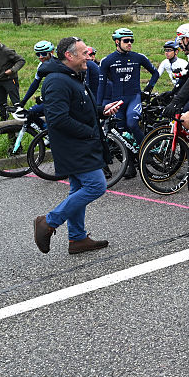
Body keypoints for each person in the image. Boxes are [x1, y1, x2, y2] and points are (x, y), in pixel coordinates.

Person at [33, 37, 122, 256]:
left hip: (80, 143)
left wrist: (102, 111)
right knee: (96, 186)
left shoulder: (73, 76)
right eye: (84, 53)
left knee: (77, 189)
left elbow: (79, 108)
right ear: (69, 56)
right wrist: (90, 133)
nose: (89, 57)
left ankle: (77, 238)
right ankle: (48, 222)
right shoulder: (56, 81)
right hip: (74, 146)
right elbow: (57, 119)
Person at [98, 28, 160, 146]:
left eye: (131, 40)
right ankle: (131, 160)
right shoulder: (107, 60)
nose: (130, 43)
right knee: (122, 132)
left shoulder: (138, 57)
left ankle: (146, 152)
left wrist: (147, 89)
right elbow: (101, 85)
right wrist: (98, 107)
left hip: (133, 97)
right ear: (117, 42)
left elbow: (155, 73)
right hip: (117, 100)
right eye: (126, 41)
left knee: (132, 124)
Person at [0, 33, 24, 121]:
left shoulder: (7, 51)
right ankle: (3, 120)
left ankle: (20, 120)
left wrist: (12, 70)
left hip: (10, 80)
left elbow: (21, 60)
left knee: (16, 102)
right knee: (1, 102)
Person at [17, 41, 56, 112]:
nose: (41, 57)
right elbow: (35, 83)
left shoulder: (58, 65)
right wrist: (23, 101)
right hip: (51, 97)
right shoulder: (41, 66)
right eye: (38, 54)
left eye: (44, 54)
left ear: (52, 52)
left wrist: (43, 98)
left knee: (32, 113)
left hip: (60, 99)